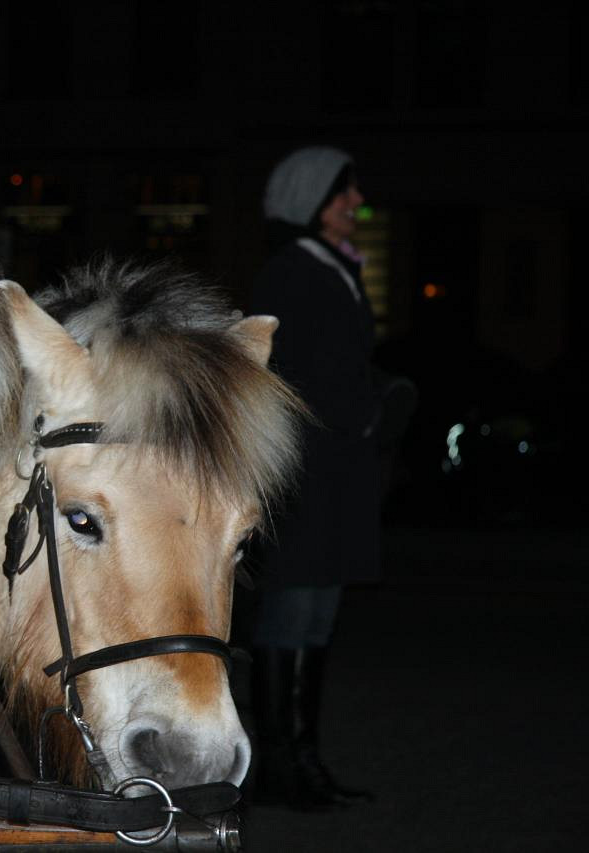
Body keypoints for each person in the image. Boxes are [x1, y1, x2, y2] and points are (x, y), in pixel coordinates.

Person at [247, 146, 379, 810]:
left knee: (317, 620)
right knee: (290, 618)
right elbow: (283, 375)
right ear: (309, 201)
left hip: (336, 475)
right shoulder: (292, 271)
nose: (356, 202)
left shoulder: (334, 266)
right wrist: (356, 408)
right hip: (304, 477)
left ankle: (304, 760)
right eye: (342, 192)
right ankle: (279, 767)